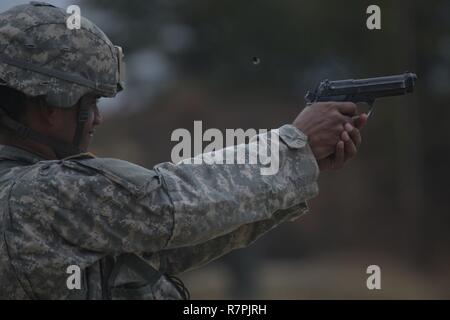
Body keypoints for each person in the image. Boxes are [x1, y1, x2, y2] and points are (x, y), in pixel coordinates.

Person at [0, 2, 367, 299]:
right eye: (90, 103)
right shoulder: (36, 193)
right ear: (50, 106)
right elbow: (170, 203)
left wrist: (300, 168)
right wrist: (292, 148)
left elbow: (167, 246)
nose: (97, 119)